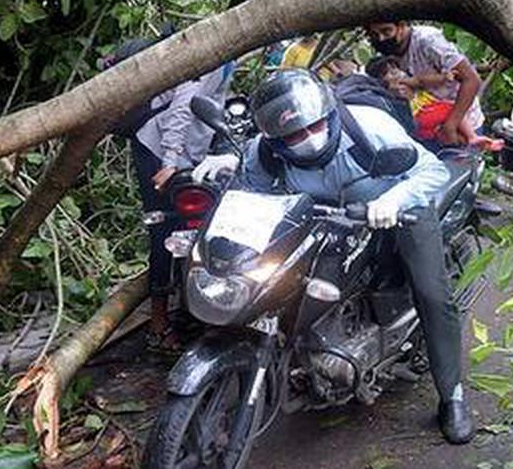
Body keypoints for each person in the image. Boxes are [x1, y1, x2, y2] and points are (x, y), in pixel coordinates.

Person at [191, 69, 476, 444]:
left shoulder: (370, 127)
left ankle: (452, 396)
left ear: (329, 115)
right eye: (293, 136)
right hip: (322, 218)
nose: (308, 139)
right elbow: (252, 195)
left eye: (315, 127)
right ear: (275, 139)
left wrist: (393, 199)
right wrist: (228, 165)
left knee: (432, 293)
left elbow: (431, 171)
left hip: (395, 208)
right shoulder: (265, 150)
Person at [101, 35, 232, 350]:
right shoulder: (214, 50)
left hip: (188, 150)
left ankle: (193, 309)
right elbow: (184, 106)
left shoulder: (230, 55)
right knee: (163, 229)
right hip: (159, 148)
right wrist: (171, 160)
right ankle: (158, 324)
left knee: (197, 228)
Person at [365, 21, 484, 144]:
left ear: (401, 26)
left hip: (461, 121)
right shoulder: (390, 51)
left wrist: (451, 125)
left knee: (462, 155)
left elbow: (471, 79)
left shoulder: (428, 41)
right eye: (374, 34)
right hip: (430, 125)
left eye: (386, 31)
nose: (381, 38)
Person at [366, 56, 502, 152]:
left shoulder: (411, 78)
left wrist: (445, 78)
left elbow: (425, 81)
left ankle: (473, 140)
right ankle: (473, 139)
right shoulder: (387, 97)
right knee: (448, 115)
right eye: (386, 73)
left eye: (394, 69)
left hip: (432, 114)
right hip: (421, 123)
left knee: (449, 119)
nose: (394, 74)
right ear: (380, 80)